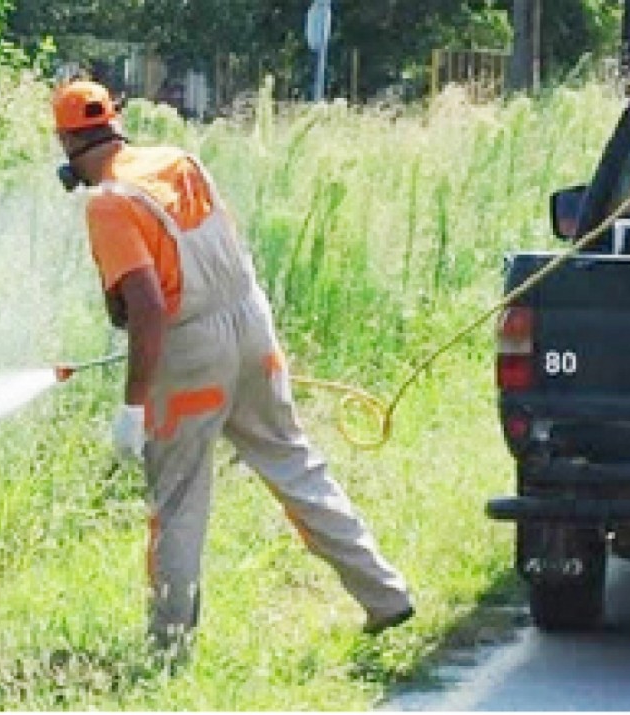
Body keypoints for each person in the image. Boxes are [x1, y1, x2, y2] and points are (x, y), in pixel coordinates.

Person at [51, 79, 414, 657]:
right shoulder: (178, 159)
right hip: (251, 323)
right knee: (295, 462)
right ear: (115, 121)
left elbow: (146, 306)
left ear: (66, 140)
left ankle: (169, 645)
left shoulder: (109, 203)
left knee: (177, 498)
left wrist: (131, 406)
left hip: (190, 349)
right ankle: (385, 593)